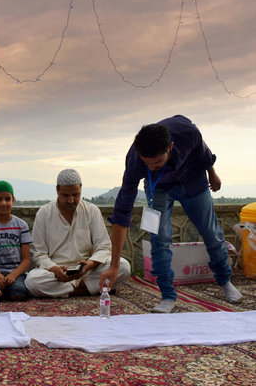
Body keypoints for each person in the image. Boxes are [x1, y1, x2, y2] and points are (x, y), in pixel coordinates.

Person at [104, 115, 243, 313]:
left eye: (157, 163)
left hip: (193, 179)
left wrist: (212, 173)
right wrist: (114, 265)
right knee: (159, 238)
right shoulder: (135, 157)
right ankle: (167, 295)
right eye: (148, 164)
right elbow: (122, 210)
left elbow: (203, 153)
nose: (151, 167)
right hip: (159, 187)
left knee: (211, 233)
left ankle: (224, 281)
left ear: (169, 147)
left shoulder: (187, 132)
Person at [25, 169, 131, 298]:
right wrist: (55, 269)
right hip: (57, 273)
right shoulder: (44, 213)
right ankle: (88, 289)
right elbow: (38, 253)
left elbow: (103, 246)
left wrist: (89, 265)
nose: (71, 200)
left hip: (87, 270)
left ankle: (71, 290)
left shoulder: (92, 211)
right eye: (65, 195)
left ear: (81, 188)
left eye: (75, 195)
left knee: (123, 266)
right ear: (57, 190)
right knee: (32, 281)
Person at [0, 180, 31, 301]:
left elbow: (26, 260)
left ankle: (8, 290)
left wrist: (13, 275)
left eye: (7, 199)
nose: (3, 203)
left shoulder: (22, 226)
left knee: (18, 294)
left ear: (13, 200)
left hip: (17, 274)